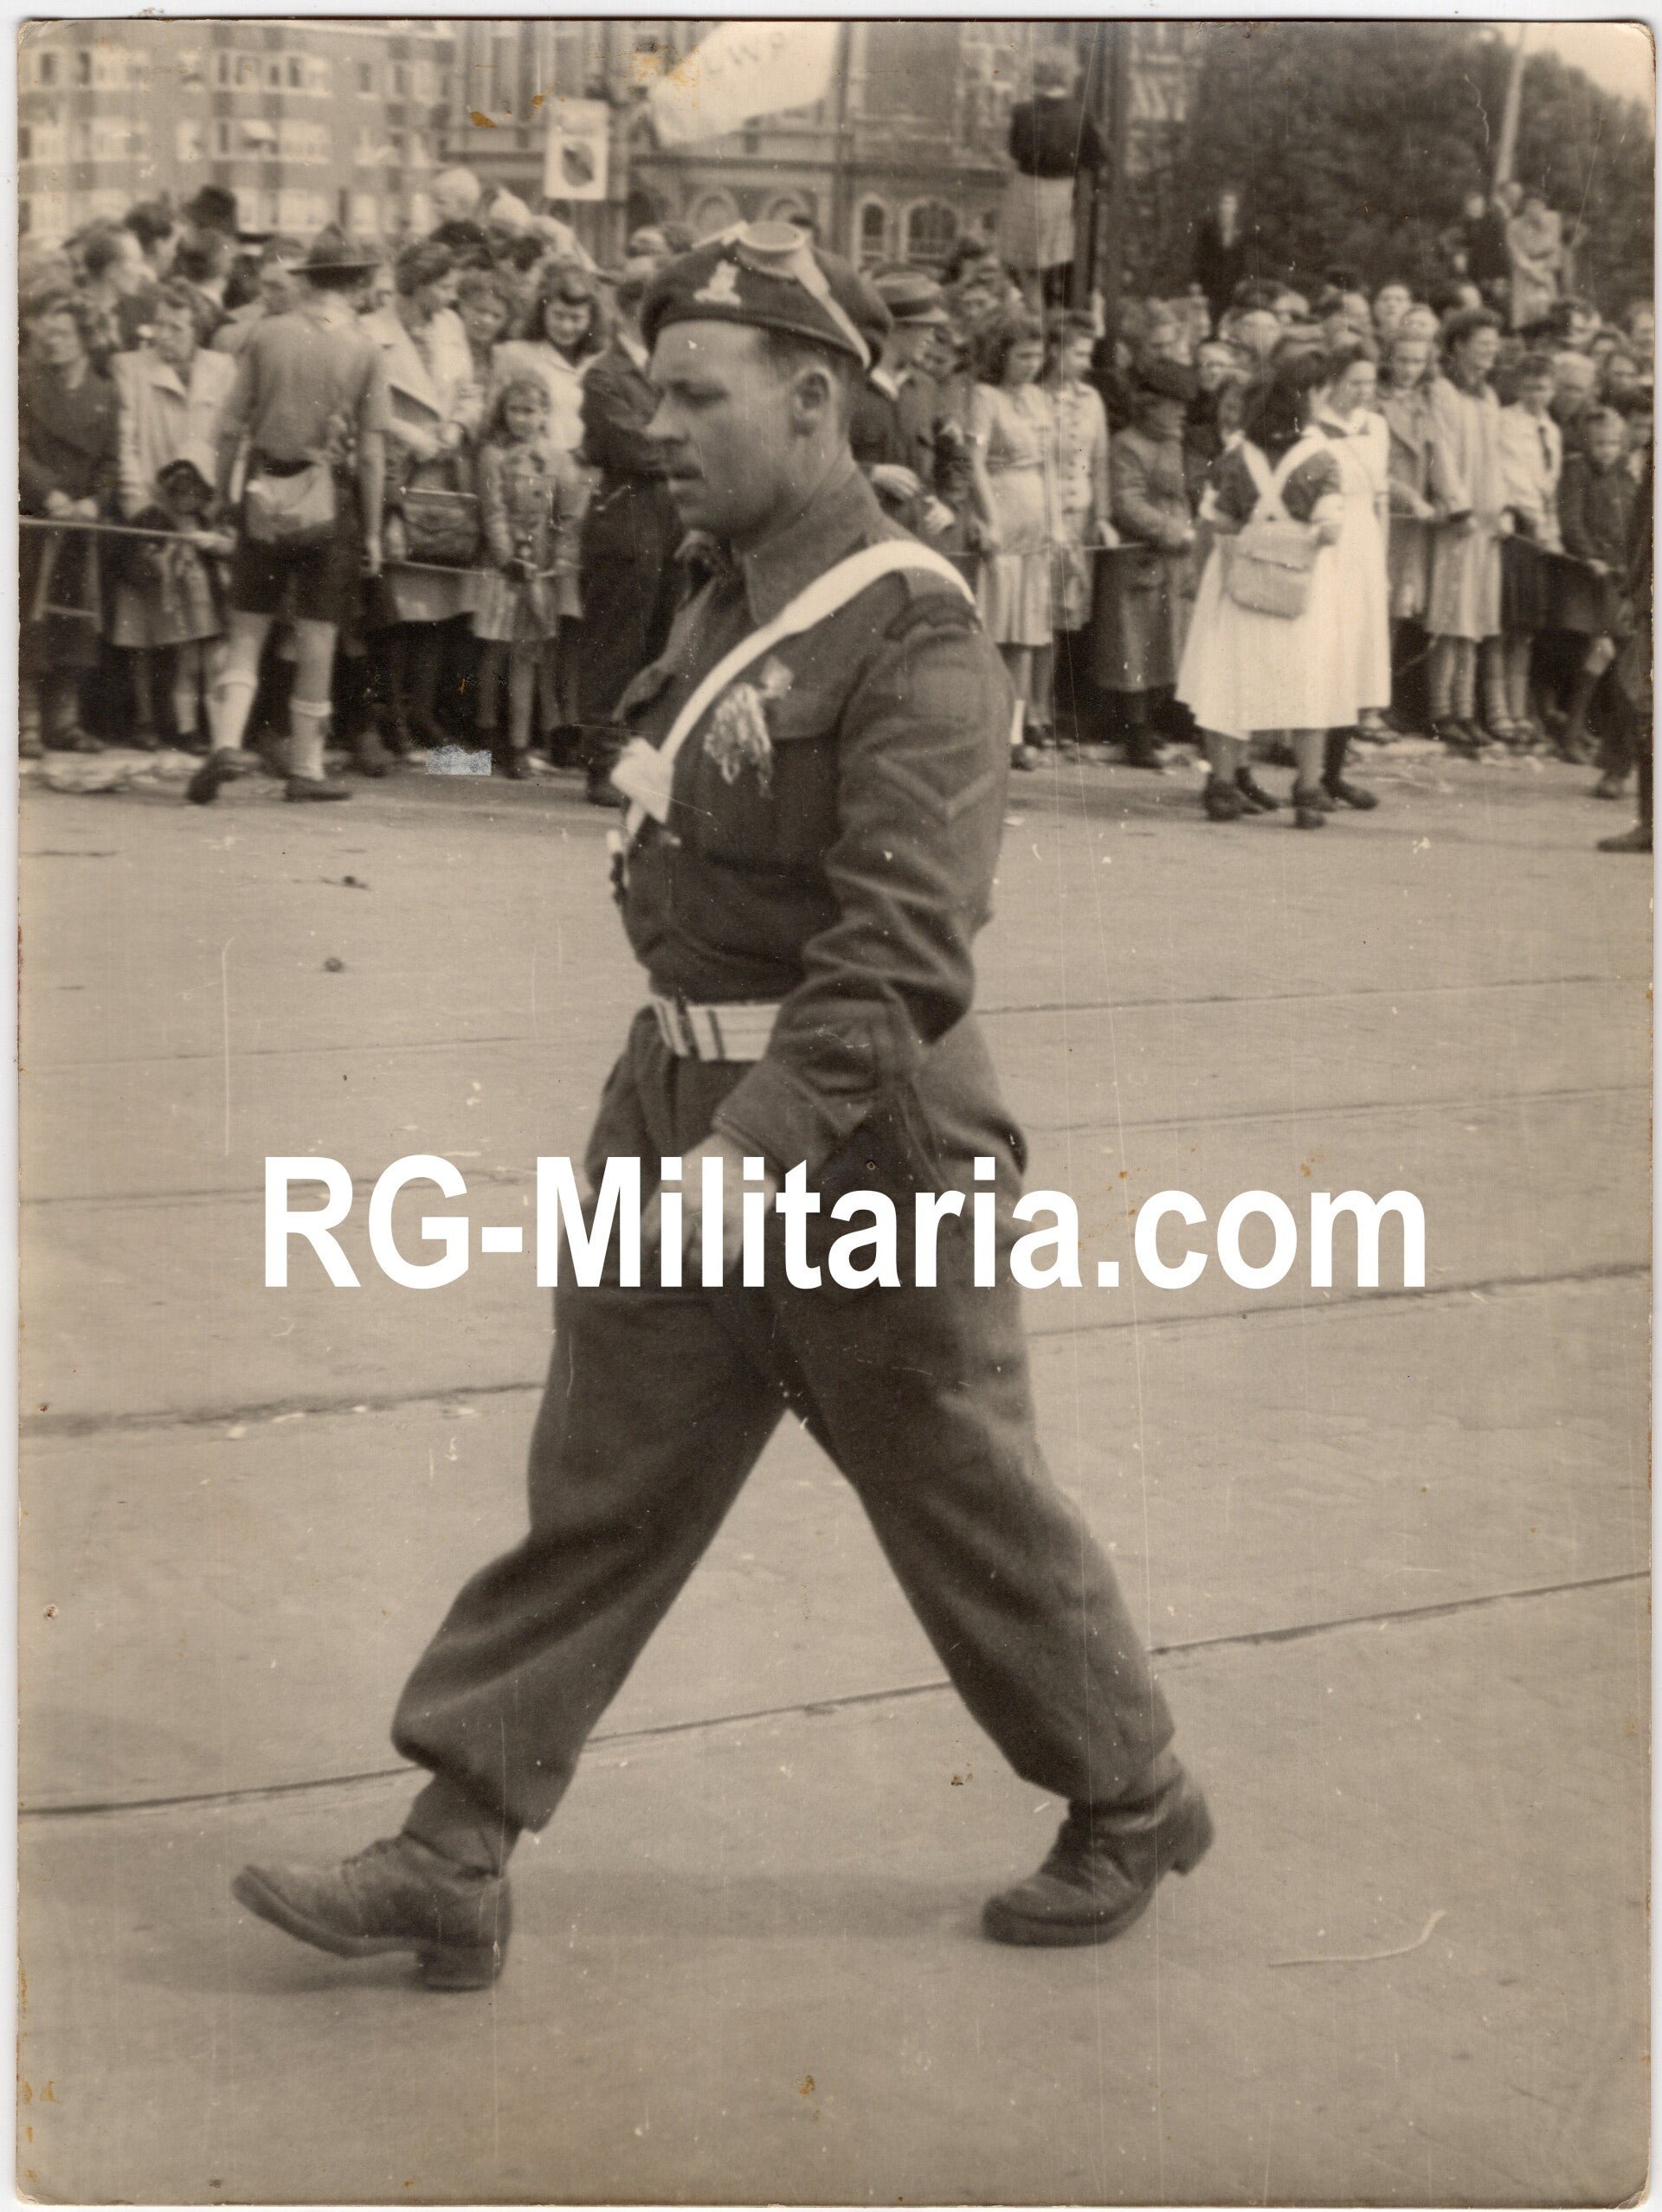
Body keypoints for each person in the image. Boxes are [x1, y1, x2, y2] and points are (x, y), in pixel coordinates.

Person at [229, 222, 1209, 1987]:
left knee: (955, 1488)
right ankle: (455, 1844)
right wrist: (679, 1117)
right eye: (653, 393)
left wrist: (751, 1147)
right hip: (677, 1093)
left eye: (698, 396)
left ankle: (1133, 1793)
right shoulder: (726, 591)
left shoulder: (912, 631)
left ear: (815, 400)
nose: (654, 426)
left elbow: (904, 947)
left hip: (860, 1137)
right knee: (604, 1475)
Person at [185, 225, 390, 806]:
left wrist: (222, 497)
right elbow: (372, 453)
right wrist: (374, 530)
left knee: (248, 627)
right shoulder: (366, 350)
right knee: (318, 635)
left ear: (310, 280)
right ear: (357, 284)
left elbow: (230, 429)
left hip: (263, 493)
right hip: (328, 502)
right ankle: (306, 768)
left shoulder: (267, 335)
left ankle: (226, 741)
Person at [1176, 350, 1350, 827]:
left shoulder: (1237, 454)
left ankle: (1222, 787)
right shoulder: (1322, 458)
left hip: (1240, 581)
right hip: (1299, 587)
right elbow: (1330, 529)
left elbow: (1217, 520)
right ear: (1309, 396)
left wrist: (1253, 533)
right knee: (1308, 681)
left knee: (1228, 680)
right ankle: (1308, 789)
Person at [362, 238, 480, 760]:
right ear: (418, 285)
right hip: (396, 477)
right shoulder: (372, 331)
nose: (452, 297)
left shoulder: (450, 327)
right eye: (445, 286)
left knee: (439, 603)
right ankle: (389, 716)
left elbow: (471, 392)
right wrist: (409, 435)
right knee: (397, 606)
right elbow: (362, 404)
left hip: (444, 481)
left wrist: (457, 426)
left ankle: (423, 714)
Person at [572, 254, 682, 801]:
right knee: (616, 641)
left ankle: (636, 755)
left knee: (660, 641)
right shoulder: (604, 376)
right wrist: (687, 452)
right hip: (626, 514)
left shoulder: (672, 371)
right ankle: (602, 759)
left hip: (671, 518)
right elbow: (635, 448)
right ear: (629, 310)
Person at [109, 284, 238, 744]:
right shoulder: (131, 367)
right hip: (154, 507)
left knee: (205, 628)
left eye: (176, 327)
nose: (164, 335)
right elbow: (126, 444)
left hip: (205, 508)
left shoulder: (222, 369)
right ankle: (150, 720)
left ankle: (205, 728)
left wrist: (219, 501)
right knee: (146, 618)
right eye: (159, 325)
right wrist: (139, 506)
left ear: (197, 329)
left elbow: (231, 438)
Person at [19, 290, 118, 757]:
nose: (53, 342)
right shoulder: (25, 385)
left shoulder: (106, 394)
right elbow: (13, 448)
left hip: (80, 524)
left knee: (77, 621)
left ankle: (65, 723)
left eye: (63, 334)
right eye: (49, 334)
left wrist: (96, 502)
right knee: (29, 618)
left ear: (85, 340)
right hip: (36, 520)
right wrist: (49, 493)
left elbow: (113, 462)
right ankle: (26, 723)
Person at [471, 378, 581, 778]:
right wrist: (507, 558)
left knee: (527, 654)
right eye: (514, 411)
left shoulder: (557, 459)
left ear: (544, 413)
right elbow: (493, 511)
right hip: (504, 568)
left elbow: (567, 516)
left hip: (540, 569)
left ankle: (519, 744)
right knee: (495, 649)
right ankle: (485, 732)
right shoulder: (492, 455)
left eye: (530, 411)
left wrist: (562, 555)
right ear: (504, 413)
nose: (522, 419)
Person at [1095, 359, 1195, 773]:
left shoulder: (1172, 443)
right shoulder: (1127, 445)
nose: (1182, 413)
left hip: (1172, 561)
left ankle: (1153, 721)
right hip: (1139, 561)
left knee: (1164, 644)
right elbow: (1127, 502)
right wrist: (1172, 530)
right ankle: (1135, 731)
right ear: (1152, 405)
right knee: (1133, 647)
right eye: (1175, 405)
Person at [966, 309, 1057, 762]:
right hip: (1002, 518)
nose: (1031, 365)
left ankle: (1014, 735)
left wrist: (1057, 522)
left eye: (1037, 356)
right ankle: (984, 730)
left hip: (1035, 527)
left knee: (1025, 637)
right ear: (1001, 355)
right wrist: (990, 518)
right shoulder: (985, 397)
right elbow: (974, 462)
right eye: (1022, 356)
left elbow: (1051, 464)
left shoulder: (1040, 398)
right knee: (994, 630)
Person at [106, 447, 232, 753]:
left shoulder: (206, 522)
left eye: (195, 491)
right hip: (180, 607)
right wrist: (162, 556)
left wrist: (214, 544)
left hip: (210, 604)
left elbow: (230, 549)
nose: (187, 498)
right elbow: (140, 560)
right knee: (187, 667)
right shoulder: (154, 520)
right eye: (180, 491)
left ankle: (221, 736)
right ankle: (188, 731)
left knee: (215, 668)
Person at [1424, 308, 1509, 752]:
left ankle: (1465, 710)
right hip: (1459, 520)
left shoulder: (1488, 395)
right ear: (1458, 346)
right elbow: (1440, 452)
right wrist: (1458, 507)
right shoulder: (1442, 391)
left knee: (1476, 618)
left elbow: (1496, 458)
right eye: (1482, 344)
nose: (1491, 352)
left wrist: (1502, 509)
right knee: (1451, 615)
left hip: (1487, 521)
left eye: (1494, 344)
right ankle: (1441, 712)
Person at [1310, 341, 1388, 796]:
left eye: (1369, 382)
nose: (1363, 391)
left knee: (1358, 651)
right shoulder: (1313, 426)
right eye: (1354, 382)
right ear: (1334, 382)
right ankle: (1310, 772)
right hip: (1327, 539)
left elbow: (1379, 497)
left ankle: (1334, 773)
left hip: (1365, 544)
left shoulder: (1376, 425)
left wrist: (1383, 564)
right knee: (1325, 650)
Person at [1044, 310, 1113, 745]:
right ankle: (1034, 711)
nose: (1086, 363)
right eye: (1079, 354)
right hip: (1043, 518)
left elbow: (1098, 462)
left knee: (1067, 617)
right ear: (1055, 351)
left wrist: (1102, 516)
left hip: (1080, 517)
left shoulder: (1091, 400)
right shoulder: (1036, 397)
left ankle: (1053, 709)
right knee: (1038, 616)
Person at [1555, 406, 1637, 768]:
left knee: (1614, 654)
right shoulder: (1577, 471)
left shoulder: (1625, 476)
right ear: (1588, 443)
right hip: (1591, 576)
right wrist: (1589, 554)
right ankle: (1571, 735)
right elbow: (1571, 520)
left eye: (1613, 443)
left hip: (1619, 576)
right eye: (1600, 443)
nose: (1607, 450)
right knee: (1600, 650)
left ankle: (1593, 734)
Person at [1494, 350, 1563, 747]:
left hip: (1540, 532)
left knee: (1527, 629)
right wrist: (1524, 516)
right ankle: (1499, 711)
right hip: (1514, 525)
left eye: (1545, 388)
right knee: (1506, 622)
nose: (1538, 395)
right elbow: (1507, 476)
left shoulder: (1550, 429)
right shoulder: (1505, 422)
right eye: (1531, 387)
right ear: (1519, 387)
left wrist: (1550, 531)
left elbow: (1549, 485)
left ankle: (1520, 711)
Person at [1004, 48, 1107, 307]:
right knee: (1053, 259)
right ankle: (1046, 310)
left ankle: (1033, 310)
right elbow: (1097, 155)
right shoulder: (1081, 115)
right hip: (1061, 191)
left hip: (1026, 188)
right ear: (1068, 77)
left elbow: (1014, 150)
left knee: (1027, 266)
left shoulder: (1022, 112)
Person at [1379, 328, 1439, 730]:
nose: (1409, 369)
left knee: (1399, 612)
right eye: (1402, 360)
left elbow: (1437, 458)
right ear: (1390, 360)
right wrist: (1410, 498)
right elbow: (1373, 465)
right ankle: (1366, 705)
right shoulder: (1376, 402)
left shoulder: (1425, 403)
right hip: (1388, 515)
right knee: (1378, 609)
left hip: (1416, 524)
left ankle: (1380, 700)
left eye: (1417, 361)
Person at [491, 259, 606, 460]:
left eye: (576, 318)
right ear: (543, 312)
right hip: (534, 467)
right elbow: (494, 421)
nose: (566, 326)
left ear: (591, 320)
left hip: (590, 468)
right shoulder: (516, 354)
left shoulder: (600, 360)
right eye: (558, 315)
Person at [212, 236, 306, 358]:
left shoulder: (321, 330)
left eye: (276, 287)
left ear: (304, 288)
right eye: (264, 284)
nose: (265, 294)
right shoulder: (232, 333)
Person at [1506, 191, 1565, 334]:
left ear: (1544, 206)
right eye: (1530, 205)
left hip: (1546, 269)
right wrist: (1532, 271)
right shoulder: (1514, 225)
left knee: (1549, 306)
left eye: (1538, 205)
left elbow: (1556, 247)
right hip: (1525, 271)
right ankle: (1526, 336)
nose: (1534, 209)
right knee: (1524, 312)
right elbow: (1516, 252)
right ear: (1524, 207)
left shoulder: (1553, 220)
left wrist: (1546, 268)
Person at [1190, 188, 1246, 325]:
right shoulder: (1209, 227)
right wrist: (1195, 281)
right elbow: (1199, 254)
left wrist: (1243, 279)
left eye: (1230, 203)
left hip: (1232, 281)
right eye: (1224, 203)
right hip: (1211, 280)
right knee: (1210, 316)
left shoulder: (1241, 229)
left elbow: (1244, 256)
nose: (1226, 207)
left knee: (1229, 317)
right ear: (1220, 206)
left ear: (1235, 207)